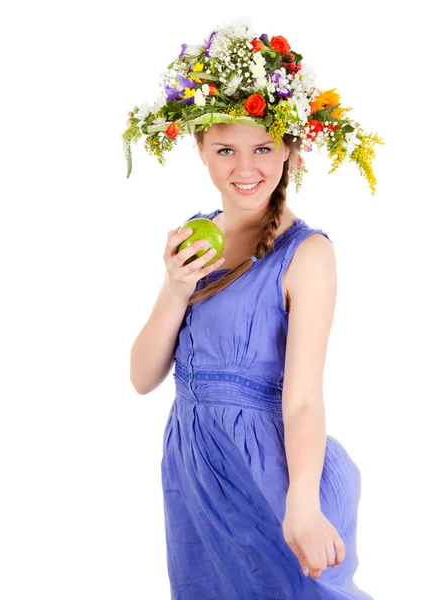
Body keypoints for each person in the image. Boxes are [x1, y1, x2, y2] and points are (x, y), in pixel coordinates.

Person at [127, 19, 381, 599]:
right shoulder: (194, 239)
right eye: (226, 149)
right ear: (200, 150)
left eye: (264, 147)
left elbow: (303, 399)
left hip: (281, 479)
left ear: (289, 147)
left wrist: (303, 506)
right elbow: (143, 377)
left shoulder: (307, 255)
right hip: (197, 475)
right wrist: (174, 289)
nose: (246, 168)